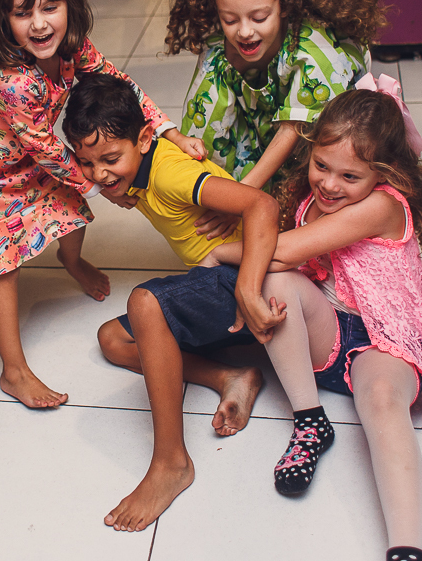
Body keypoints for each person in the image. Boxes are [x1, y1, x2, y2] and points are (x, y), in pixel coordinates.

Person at [0, 0, 202, 409]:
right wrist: (101, 186)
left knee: (68, 204)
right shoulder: (11, 82)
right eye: (22, 13)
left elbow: (119, 85)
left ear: (70, 1)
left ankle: (70, 260)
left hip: (22, 149)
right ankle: (14, 372)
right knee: (2, 264)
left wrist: (169, 132)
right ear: (2, 19)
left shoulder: (72, 46)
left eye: (50, 6)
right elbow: (49, 151)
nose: (40, 23)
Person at [203, 78, 422, 561]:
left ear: (384, 175)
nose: (329, 184)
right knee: (274, 284)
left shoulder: (381, 205)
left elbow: (286, 249)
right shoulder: (313, 199)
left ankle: (407, 547)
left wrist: (221, 252)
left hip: (386, 341)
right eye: (321, 165)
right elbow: (283, 264)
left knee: (381, 401)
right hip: (329, 333)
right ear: (311, 151)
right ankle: (310, 420)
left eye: (349, 177)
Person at [61, 73, 284, 532]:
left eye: (109, 159)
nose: (99, 175)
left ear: (144, 139)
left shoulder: (173, 173)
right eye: (86, 163)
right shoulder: (137, 170)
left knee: (146, 304)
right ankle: (233, 376)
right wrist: (124, 186)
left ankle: (171, 463)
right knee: (114, 340)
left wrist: (246, 289)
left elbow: (263, 206)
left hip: (251, 279)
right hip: (219, 274)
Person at [162, 0, 380, 209]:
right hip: (266, 121)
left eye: (259, 17)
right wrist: (211, 192)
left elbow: (294, 129)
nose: (244, 31)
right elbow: (204, 124)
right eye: (229, 19)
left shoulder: (313, 50)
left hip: (315, 126)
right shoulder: (219, 54)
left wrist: (242, 199)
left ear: (285, 5)